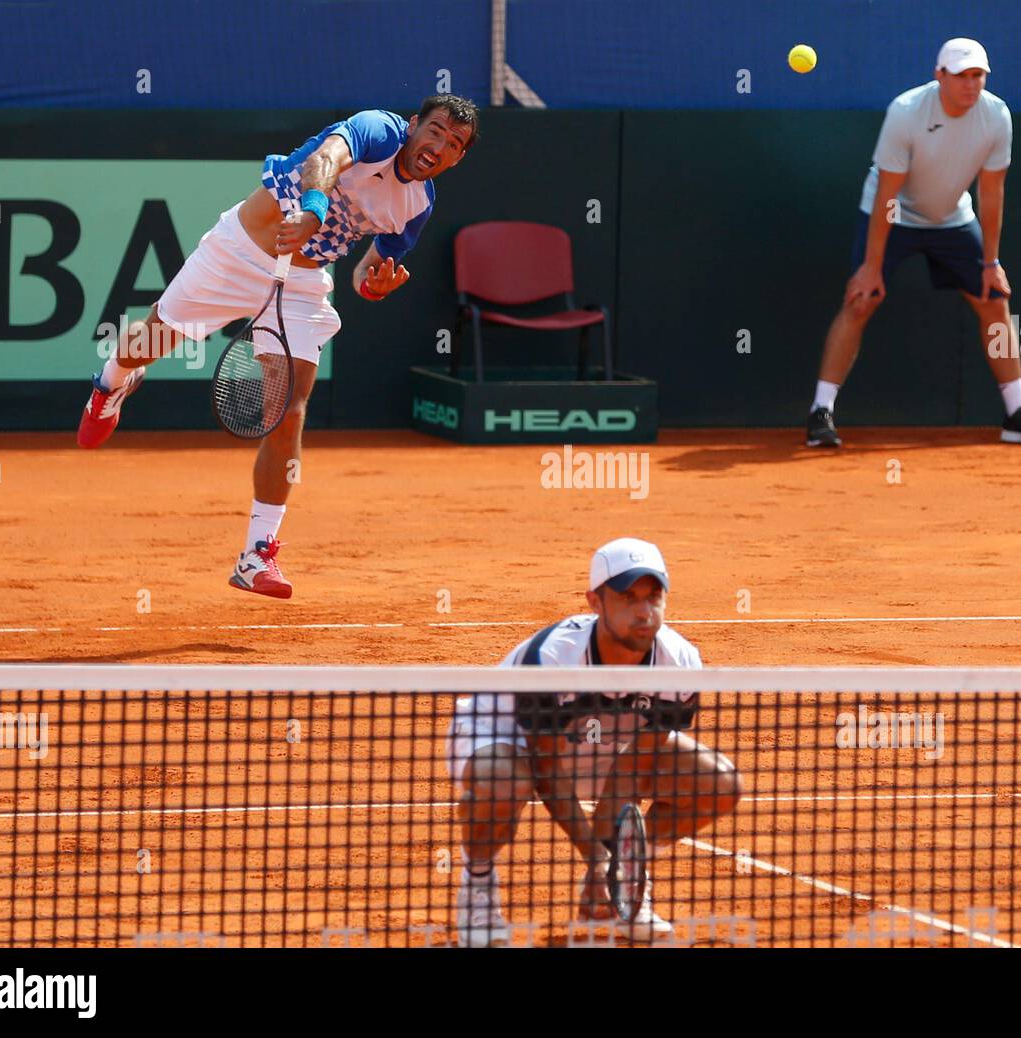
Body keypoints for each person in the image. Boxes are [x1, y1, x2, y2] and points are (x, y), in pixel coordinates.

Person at [76, 96, 480, 598]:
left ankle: (256, 552)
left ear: (457, 159)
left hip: (303, 283)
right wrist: (313, 209)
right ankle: (111, 383)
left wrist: (373, 285)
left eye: (454, 144)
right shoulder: (379, 129)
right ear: (415, 125)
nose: (439, 146)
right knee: (152, 341)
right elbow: (324, 159)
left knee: (290, 409)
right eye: (436, 131)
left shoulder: (417, 205)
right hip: (238, 251)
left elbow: (366, 270)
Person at [445, 537, 743, 947]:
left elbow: (635, 768)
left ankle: (630, 879)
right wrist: (594, 854)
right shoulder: (553, 659)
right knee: (502, 782)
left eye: (654, 597)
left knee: (719, 784)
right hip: (504, 735)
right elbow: (546, 771)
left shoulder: (679, 663)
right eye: (628, 598)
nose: (644, 611)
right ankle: (477, 885)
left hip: (607, 745)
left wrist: (612, 865)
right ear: (595, 602)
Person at [805, 39, 1021, 449]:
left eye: (978, 75)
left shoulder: (996, 116)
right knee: (860, 300)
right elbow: (888, 194)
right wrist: (872, 266)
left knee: (993, 298)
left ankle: (1017, 413)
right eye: (961, 75)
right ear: (939, 75)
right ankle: (821, 412)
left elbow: (991, 191)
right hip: (894, 212)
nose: (970, 84)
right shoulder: (906, 112)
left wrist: (991, 261)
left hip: (951, 218)